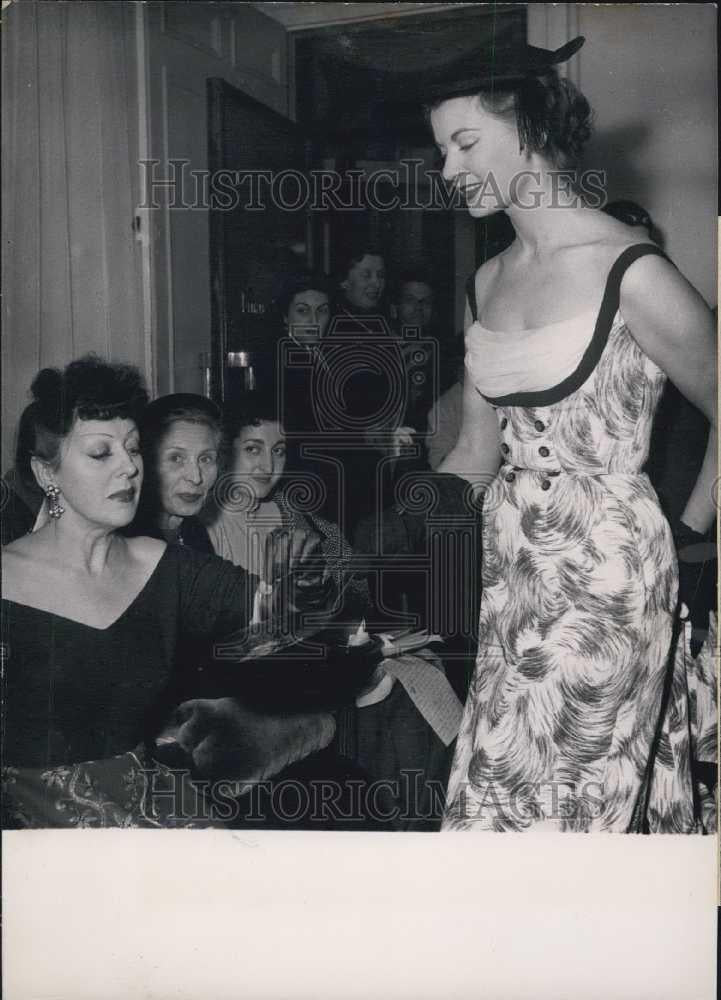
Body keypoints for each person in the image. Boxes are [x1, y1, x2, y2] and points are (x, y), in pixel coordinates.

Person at [399, 36, 717, 832]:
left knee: (565, 813)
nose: (448, 170)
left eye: (465, 143)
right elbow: (475, 453)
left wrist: (686, 527)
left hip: (607, 580)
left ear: (532, 130)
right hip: (513, 579)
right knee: (486, 794)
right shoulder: (487, 278)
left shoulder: (629, 269)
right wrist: (393, 547)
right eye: (441, 149)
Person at [1, 356, 337, 828]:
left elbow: (283, 617)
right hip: (34, 830)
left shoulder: (166, 565)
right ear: (47, 474)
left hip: (148, 806)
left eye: (134, 449)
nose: (129, 470)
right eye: (102, 453)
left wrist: (294, 583)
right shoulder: (7, 581)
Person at [128, 393, 222, 552]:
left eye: (205, 459)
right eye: (176, 458)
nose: (196, 478)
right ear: (146, 462)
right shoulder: (129, 542)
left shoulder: (193, 532)